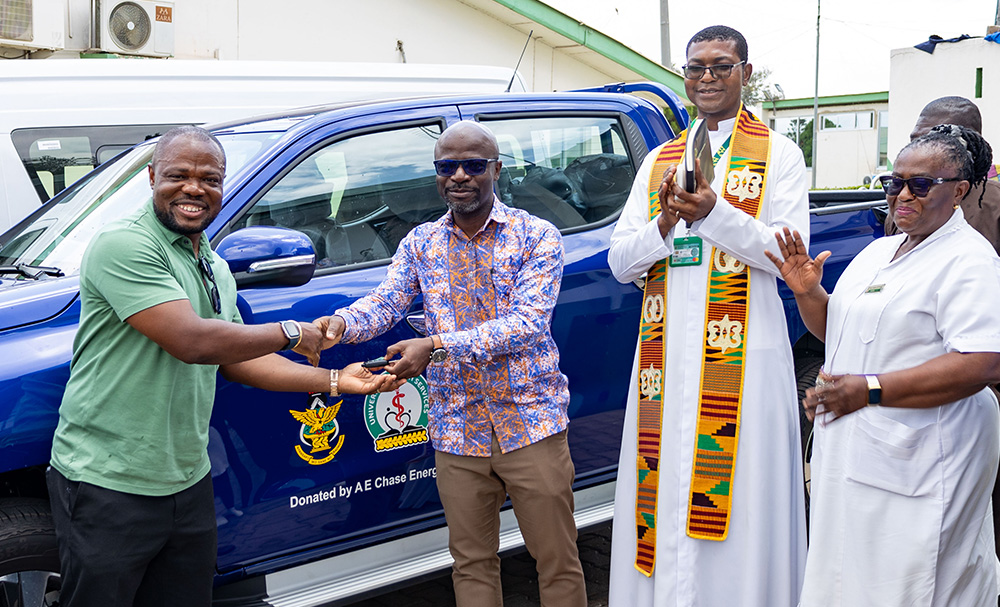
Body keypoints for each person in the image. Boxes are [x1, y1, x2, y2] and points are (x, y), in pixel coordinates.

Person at [47, 126, 396, 607]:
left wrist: (334, 380)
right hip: (108, 482)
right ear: (151, 177)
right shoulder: (124, 244)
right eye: (179, 175)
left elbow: (235, 360)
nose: (194, 188)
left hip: (187, 480)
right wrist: (291, 332)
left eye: (209, 179)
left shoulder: (210, 261)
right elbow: (191, 341)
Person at [318, 120, 587, 607]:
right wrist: (339, 324)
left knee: (556, 559)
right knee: (471, 562)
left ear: (496, 170)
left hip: (530, 424)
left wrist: (436, 345)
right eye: (447, 167)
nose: (459, 176)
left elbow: (526, 324)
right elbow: (386, 302)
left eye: (473, 165)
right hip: (457, 430)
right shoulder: (421, 242)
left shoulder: (536, 235)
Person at [606, 25, 808, 606]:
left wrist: (714, 213)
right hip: (666, 361)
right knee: (664, 486)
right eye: (696, 68)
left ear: (746, 71)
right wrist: (667, 223)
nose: (707, 77)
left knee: (743, 496)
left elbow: (786, 254)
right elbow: (620, 261)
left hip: (744, 364)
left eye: (721, 65)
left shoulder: (780, 154)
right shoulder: (658, 162)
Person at [768, 125, 1000, 605]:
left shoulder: (969, 260)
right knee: (848, 580)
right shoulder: (878, 251)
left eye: (921, 184)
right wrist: (808, 292)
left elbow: (985, 361)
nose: (903, 195)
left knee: (914, 585)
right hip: (858, 453)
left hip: (926, 456)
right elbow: (838, 332)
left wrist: (871, 388)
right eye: (895, 182)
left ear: (959, 190)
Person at [885, 96, 1000, 253]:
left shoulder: (995, 204)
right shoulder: (902, 204)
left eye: (934, 141)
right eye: (916, 140)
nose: (919, 148)